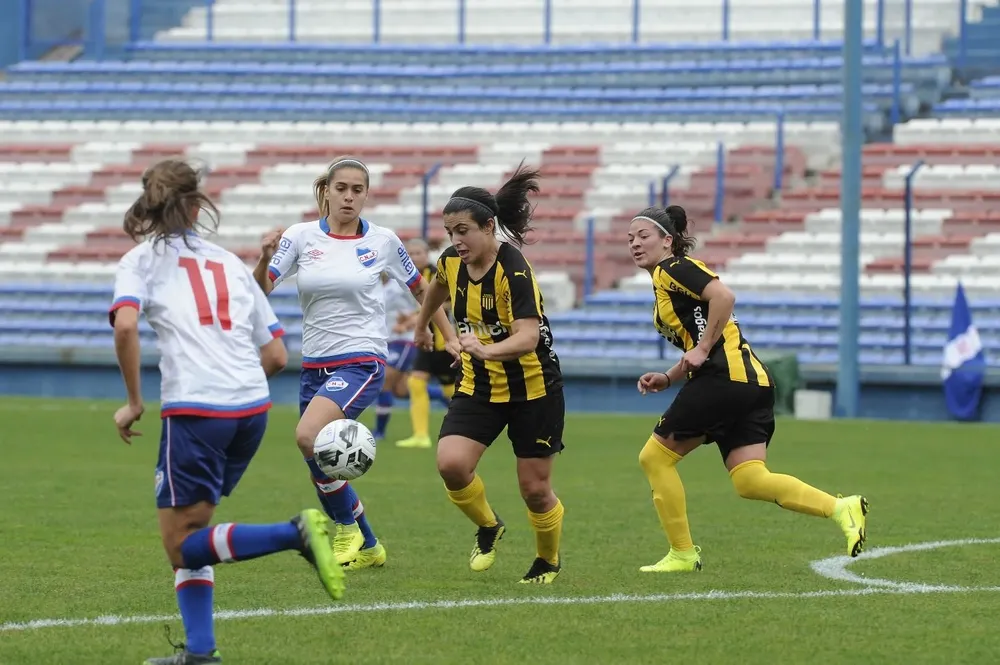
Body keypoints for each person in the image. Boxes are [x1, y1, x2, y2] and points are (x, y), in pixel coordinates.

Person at [109, 159, 343, 665]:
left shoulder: (140, 261)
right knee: (195, 530)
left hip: (197, 410)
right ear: (197, 207)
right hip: (251, 409)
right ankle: (200, 652)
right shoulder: (231, 263)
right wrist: (236, 387)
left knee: (180, 545)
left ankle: (295, 533)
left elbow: (125, 326)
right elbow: (276, 354)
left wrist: (133, 403)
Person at [627, 205, 869, 573]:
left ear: (667, 241)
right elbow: (703, 338)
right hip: (750, 382)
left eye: (643, 236)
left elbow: (723, 297)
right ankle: (842, 508)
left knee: (655, 458)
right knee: (749, 479)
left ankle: (683, 553)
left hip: (723, 379)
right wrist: (669, 376)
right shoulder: (668, 280)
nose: (634, 243)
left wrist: (702, 349)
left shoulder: (671, 268)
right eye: (630, 238)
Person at [253, 156, 455, 570]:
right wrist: (263, 258)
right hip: (315, 363)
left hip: (362, 359)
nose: (348, 196)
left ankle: (345, 529)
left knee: (309, 436)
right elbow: (261, 289)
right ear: (326, 191)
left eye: (357, 190)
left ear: (366, 195)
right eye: (341, 188)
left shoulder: (382, 241)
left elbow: (423, 290)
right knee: (319, 457)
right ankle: (370, 544)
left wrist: (447, 336)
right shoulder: (300, 236)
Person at [412, 164, 566, 585]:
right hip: (480, 385)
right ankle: (488, 525)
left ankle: (547, 560)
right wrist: (424, 327)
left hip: (533, 389)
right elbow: (435, 289)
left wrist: (484, 349)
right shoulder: (451, 261)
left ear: (488, 227)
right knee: (451, 464)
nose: (456, 241)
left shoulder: (514, 270)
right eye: (450, 232)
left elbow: (528, 337)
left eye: (463, 231)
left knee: (535, 490)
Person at [396, 237, 459, 450]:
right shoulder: (414, 276)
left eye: (418, 253)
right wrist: (410, 318)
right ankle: (421, 435)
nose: (414, 258)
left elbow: (439, 304)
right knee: (416, 382)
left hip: (444, 342)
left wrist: (411, 322)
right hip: (427, 342)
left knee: (452, 390)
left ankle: (471, 429)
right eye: (410, 254)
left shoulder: (436, 274)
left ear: (426, 254)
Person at [372, 271, 418, 441]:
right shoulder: (375, 289)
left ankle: (380, 431)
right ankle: (445, 397)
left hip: (404, 341)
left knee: (384, 381)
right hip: (388, 342)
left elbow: (424, 305)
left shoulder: (399, 287)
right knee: (401, 390)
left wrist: (407, 323)